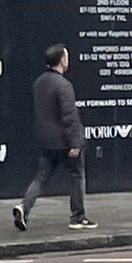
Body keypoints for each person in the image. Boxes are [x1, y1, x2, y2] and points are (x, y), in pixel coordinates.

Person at [14, 43, 92, 231]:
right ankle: (78, 217)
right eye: (66, 56)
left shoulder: (39, 82)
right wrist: (76, 142)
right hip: (64, 141)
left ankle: (24, 207)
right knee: (77, 176)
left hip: (45, 141)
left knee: (42, 178)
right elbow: (69, 116)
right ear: (62, 60)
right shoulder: (64, 85)